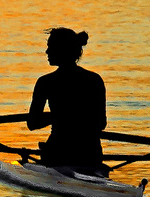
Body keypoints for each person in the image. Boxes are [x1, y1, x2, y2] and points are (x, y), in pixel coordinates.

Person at [27, 27, 107, 174]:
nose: (47, 52)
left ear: (62, 50)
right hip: (90, 155)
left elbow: (33, 123)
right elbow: (101, 123)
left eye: (50, 47)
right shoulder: (95, 80)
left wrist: (57, 117)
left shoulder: (45, 82)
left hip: (58, 154)